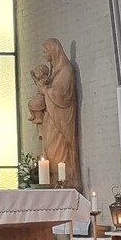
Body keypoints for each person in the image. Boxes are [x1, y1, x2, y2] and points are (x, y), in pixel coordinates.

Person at [40, 38, 82, 191]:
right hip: (50, 118)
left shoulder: (66, 70)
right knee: (49, 148)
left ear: (54, 51)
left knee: (59, 149)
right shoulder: (55, 71)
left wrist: (46, 90)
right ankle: (53, 179)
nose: (44, 55)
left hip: (61, 120)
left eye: (46, 51)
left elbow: (63, 96)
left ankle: (63, 180)